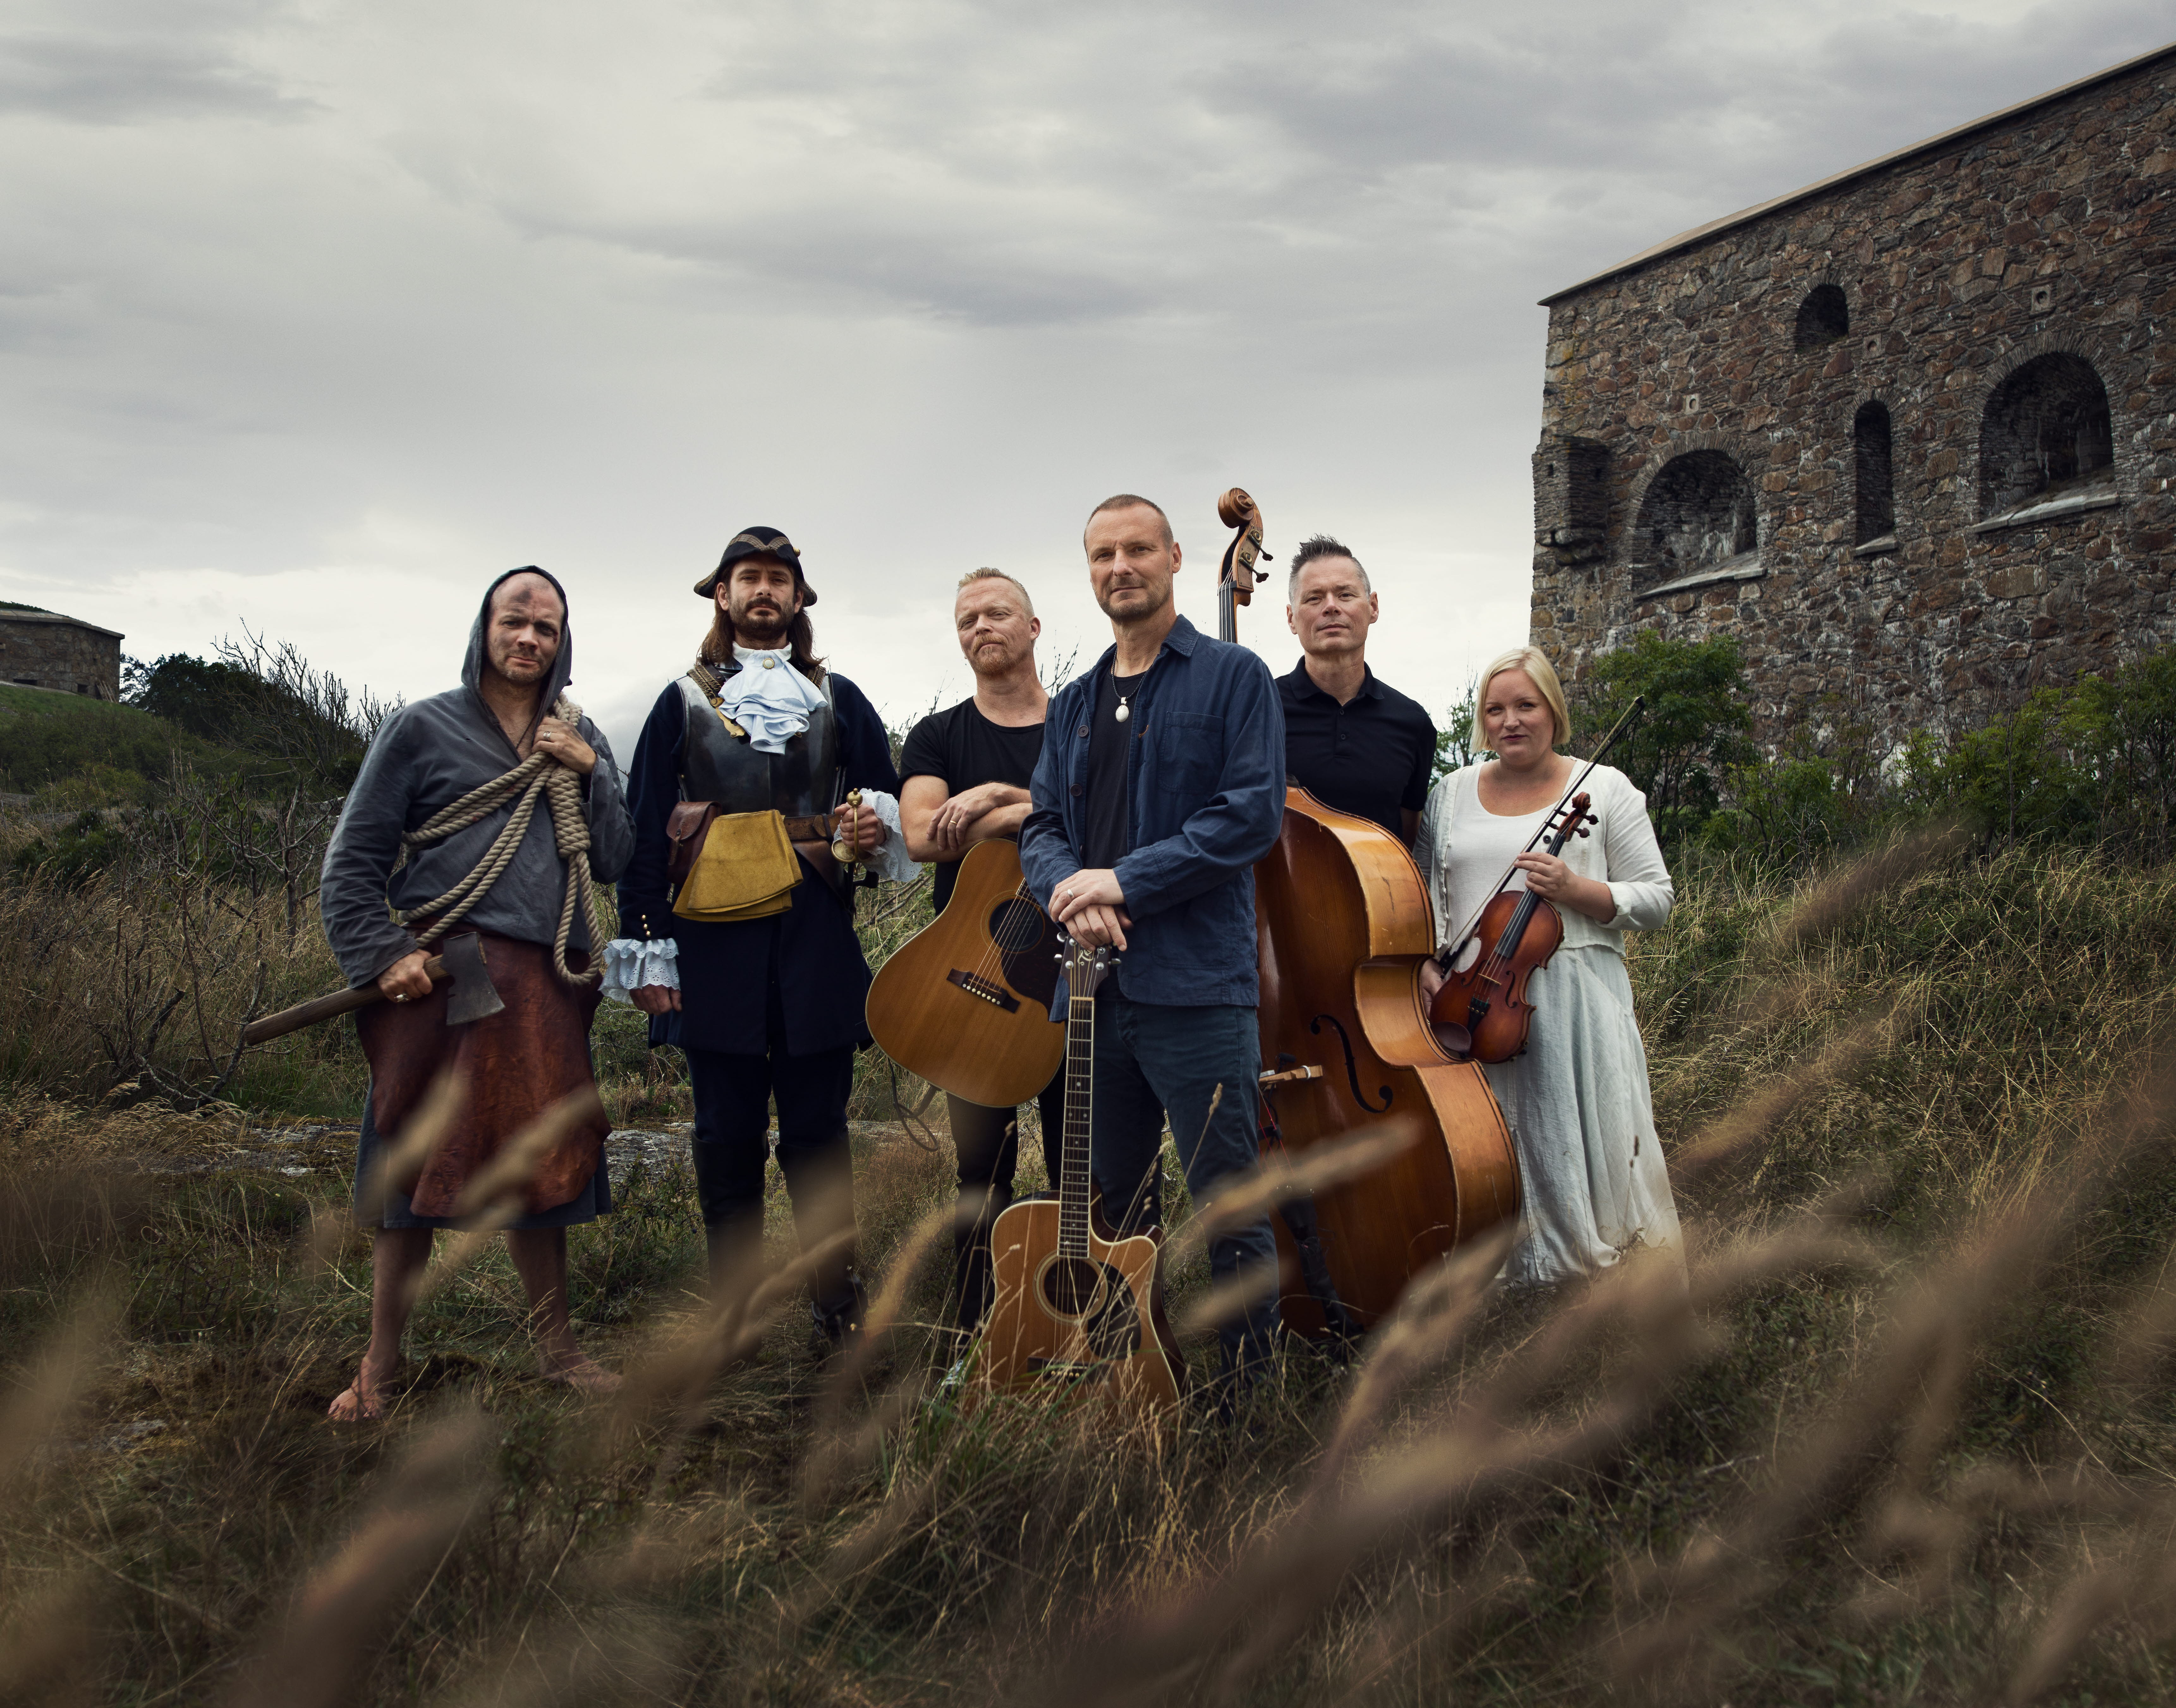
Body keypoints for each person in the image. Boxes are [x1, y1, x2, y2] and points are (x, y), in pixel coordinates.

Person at [319, 566, 635, 1421]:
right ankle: (380, 1365)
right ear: (485, 626)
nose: (529, 637)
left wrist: (590, 771)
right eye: (515, 620)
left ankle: (558, 1351)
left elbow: (613, 856)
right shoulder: (420, 729)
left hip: (544, 981)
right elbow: (350, 865)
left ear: (563, 641)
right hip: (441, 976)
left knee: (547, 1163)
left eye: (546, 626)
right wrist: (383, 951)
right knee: (410, 1166)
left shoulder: (580, 731)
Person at [610, 527, 916, 1346]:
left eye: (778, 579)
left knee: (819, 1131)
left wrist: (864, 822)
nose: (763, 590)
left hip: (813, 935)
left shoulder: (837, 695)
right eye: (749, 577)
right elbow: (642, 832)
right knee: (724, 1133)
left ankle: (833, 1300)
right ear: (723, 593)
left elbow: (888, 800)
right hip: (710, 941)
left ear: (797, 598)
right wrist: (643, 949)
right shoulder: (679, 700)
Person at [1019, 494, 1287, 1396]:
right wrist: (1073, 888)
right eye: (1101, 554)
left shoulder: (1232, 677)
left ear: (1174, 556)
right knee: (1111, 1209)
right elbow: (1043, 824)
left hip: (1197, 992)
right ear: (1088, 570)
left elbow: (1247, 815)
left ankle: (1248, 1401)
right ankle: (1128, 1378)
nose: (1119, 566)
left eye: (1137, 549)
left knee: (1229, 1209)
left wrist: (1121, 880)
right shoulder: (1073, 701)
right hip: (1091, 992)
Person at [1415, 646, 1683, 1287]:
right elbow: (1423, 892)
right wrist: (1422, 964)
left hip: (1574, 1002)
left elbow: (1656, 900)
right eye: (1495, 709)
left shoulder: (1605, 788)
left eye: (1525, 706)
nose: (1511, 721)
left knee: (1577, 1140)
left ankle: (1591, 1285)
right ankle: (1493, 1278)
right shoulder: (1448, 795)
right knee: (1481, 1144)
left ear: (1552, 712)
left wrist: (1574, 889)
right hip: (1469, 1000)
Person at [898, 569, 1064, 1338]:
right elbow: (921, 836)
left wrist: (1001, 797)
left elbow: (1118, 819)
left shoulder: (1081, 724)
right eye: (965, 619)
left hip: (1078, 977)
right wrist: (1044, 815)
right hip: (975, 978)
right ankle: (974, 1328)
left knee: (1082, 1167)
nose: (979, 628)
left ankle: (1081, 1320)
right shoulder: (937, 735)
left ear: (1033, 628)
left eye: (996, 613)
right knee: (979, 1173)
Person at [1277, 535, 1438, 846]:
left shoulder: (1412, 722)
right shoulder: (1260, 709)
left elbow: (1406, 839)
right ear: (1291, 619)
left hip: (1378, 893)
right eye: (1314, 599)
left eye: (1345, 595)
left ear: (1373, 607)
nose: (1331, 607)